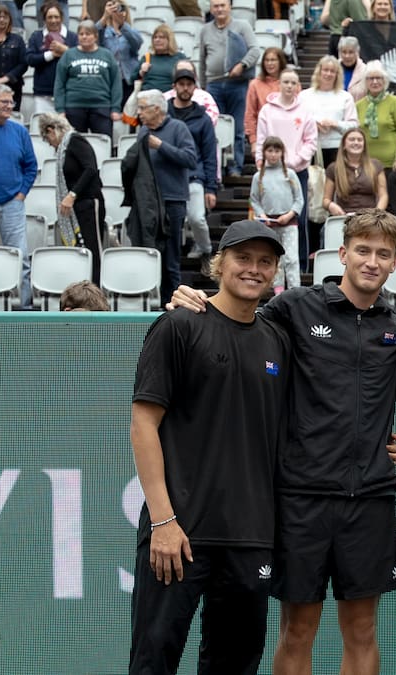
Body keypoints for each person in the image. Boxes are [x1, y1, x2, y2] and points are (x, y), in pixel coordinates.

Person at [168, 210, 396, 675]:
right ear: (342, 254)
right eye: (362, 250)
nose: (371, 261)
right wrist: (191, 295)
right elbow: (235, 316)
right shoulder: (295, 307)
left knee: (362, 631)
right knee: (297, 631)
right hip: (301, 499)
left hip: (370, 500)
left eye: (383, 254)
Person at [128, 219, 290, 675]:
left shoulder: (278, 340)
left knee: (235, 666)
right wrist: (162, 520)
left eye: (265, 261)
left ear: (275, 271)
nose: (253, 269)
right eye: (243, 258)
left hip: (251, 539)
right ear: (219, 264)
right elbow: (143, 424)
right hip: (177, 536)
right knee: (152, 662)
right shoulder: (178, 326)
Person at [125, 89, 197, 306]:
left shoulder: (178, 128)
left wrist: (161, 146)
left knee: (170, 260)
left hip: (172, 201)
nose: (139, 113)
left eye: (142, 108)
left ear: (156, 109)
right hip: (147, 204)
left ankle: (173, 308)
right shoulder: (142, 131)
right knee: (148, 255)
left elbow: (190, 159)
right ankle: (149, 305)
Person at [255, 68, 317, 263]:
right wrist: (261, 164)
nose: (289, 86)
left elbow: (311, 141)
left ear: (298, 87)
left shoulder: (305, 110)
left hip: (298, 172)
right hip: (271, 172)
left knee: (298, 218)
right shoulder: (267, 110)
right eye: (286, 82)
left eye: (293, 83)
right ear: (279, 84)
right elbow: (261, 139)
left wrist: (295, 161)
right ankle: (273, 265)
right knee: (273, 220)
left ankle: (300, 266)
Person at [0, 84, 36, 307]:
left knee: (20, 259)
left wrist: (21, 194)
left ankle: (23, 308)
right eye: (4, 102)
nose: (10, 106)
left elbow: (31, 166)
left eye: (11, 102)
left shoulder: (19, 132)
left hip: (13, 205)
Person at [199, 0, 260, 176]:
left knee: (237, 128)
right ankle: (216, 167)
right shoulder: (205, 30)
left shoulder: (242, 26)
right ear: (211, 8)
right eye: (216, 6)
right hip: (213, 85)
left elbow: (255, 51)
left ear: (229, 6)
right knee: (214, 128)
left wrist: (242, 64)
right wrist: (203, 89)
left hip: (238, 84)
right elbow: (202, 61)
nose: (219, 9)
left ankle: (235, 167)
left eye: (222, 5)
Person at [168, 69, 219, 262]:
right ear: (174, 87)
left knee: (197, 217)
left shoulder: (202, 118)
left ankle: (206, 249)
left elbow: (209, 154)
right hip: (169, 176)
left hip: (194, 175)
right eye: (181, 84)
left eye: (189, 84)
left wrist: (211, 188)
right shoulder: (164, 113)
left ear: (194, 88)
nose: (185, 88)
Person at [250, 136, 303, 291]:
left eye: (277, 151)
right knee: (275, 258)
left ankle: (295, 290)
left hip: (289, 222)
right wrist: (262, 215)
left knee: (292, 258)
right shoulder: (258, 176)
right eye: (270, 150)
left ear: (282, 153)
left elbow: (299, 199)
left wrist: (289, 214)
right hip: (270, 224)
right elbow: (254, 200)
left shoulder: (290, 175)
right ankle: (278, 291)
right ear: (264, 152)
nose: (273, 154)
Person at [55, 21, 122, 136]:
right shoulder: (68, 55)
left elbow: (116, 82)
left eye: (88, 34)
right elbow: (59, 83)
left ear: (96, 36)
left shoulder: (107, 55)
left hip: (101, 106)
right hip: (74, 107)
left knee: (103, 143)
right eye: (81, 34)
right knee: (75, 145)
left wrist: (115, 108)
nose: (84, 37)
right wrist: (60, 109)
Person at [300, 55, 358, 168]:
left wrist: (335, 124)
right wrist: (313, 125)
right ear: (319, 72)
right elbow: (297, 121)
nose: (328, 74)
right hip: (310, 148)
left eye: (333, 71)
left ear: (337, 75)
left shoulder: (345, 97)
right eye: (325, 70)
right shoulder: (304, 96)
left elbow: (354, 126)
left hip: (336, 149)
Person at [323, 127, 388, 222]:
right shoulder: (333, 168)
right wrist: (330, 205)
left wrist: (376, 214)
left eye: (360, 140)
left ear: (364, 145)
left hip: (370, 218)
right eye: (352, 139)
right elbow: (325, 200)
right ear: (344, 145)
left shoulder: (376, 165)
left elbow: (383, 196)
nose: (356, 142)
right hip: (344, 218)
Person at [355, 61, 396, 168]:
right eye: (371, 78)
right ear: (365, 82)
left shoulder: (395, 102)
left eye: (378, 78)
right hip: (365, 163)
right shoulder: (358, 105)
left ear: (384, 81)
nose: (375, 82)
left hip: (391, 164)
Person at [25, 1, 75, 116]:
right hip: (43, 94)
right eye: (50, 17)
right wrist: (51, 55)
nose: (53, 20)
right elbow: (30, 59)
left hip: (68, 94)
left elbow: (80, 59)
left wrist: (65, 50)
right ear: (44, 19)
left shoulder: (72, 37)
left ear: (62, 18)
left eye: (56, 17)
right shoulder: (36, 36)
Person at [97, 0, 142, 103]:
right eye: (113, 8)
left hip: (128, 80)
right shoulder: (104, 32)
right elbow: (93, 35)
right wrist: (105, 16)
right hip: (109, 80)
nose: (117, 11)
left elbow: (137, 44)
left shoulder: (132, 31)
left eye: (120, 8)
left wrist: (122, 25)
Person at [244, 47, 286, 151]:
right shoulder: (255, 84)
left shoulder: (290, 82)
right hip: (264, 136)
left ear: (281, 61)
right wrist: (253, 141)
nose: (269, 63)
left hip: (286, 133)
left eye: (273, 60)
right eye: (267, 60)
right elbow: (250, 114)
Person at [136, 24, 188, 95]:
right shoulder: (147, 57)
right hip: (147, 99)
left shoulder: (179, 58)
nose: (157, 40)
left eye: (161, 37)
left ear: (169, 40)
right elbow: (131, 79)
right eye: (155, 37)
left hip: (171, 99)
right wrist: (141, 72)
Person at [337, 36, 367, 101]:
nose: (347, 56)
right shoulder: (332, 70)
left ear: (357, 53)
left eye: (351, 52)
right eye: (344, 52)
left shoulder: (366, 71)